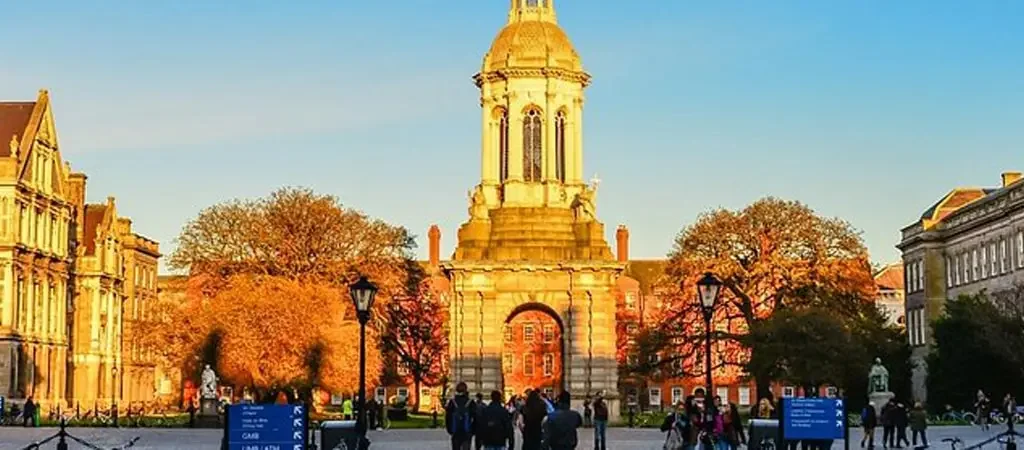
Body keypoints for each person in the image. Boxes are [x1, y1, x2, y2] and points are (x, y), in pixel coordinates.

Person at [446, 382, 478, 450]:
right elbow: (476, 417)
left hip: (455, 431)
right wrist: (473, 430)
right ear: (466, 390)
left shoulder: (452, 402)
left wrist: (450, 429)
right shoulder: (470, 402)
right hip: (467, 431)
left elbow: (448, 417)